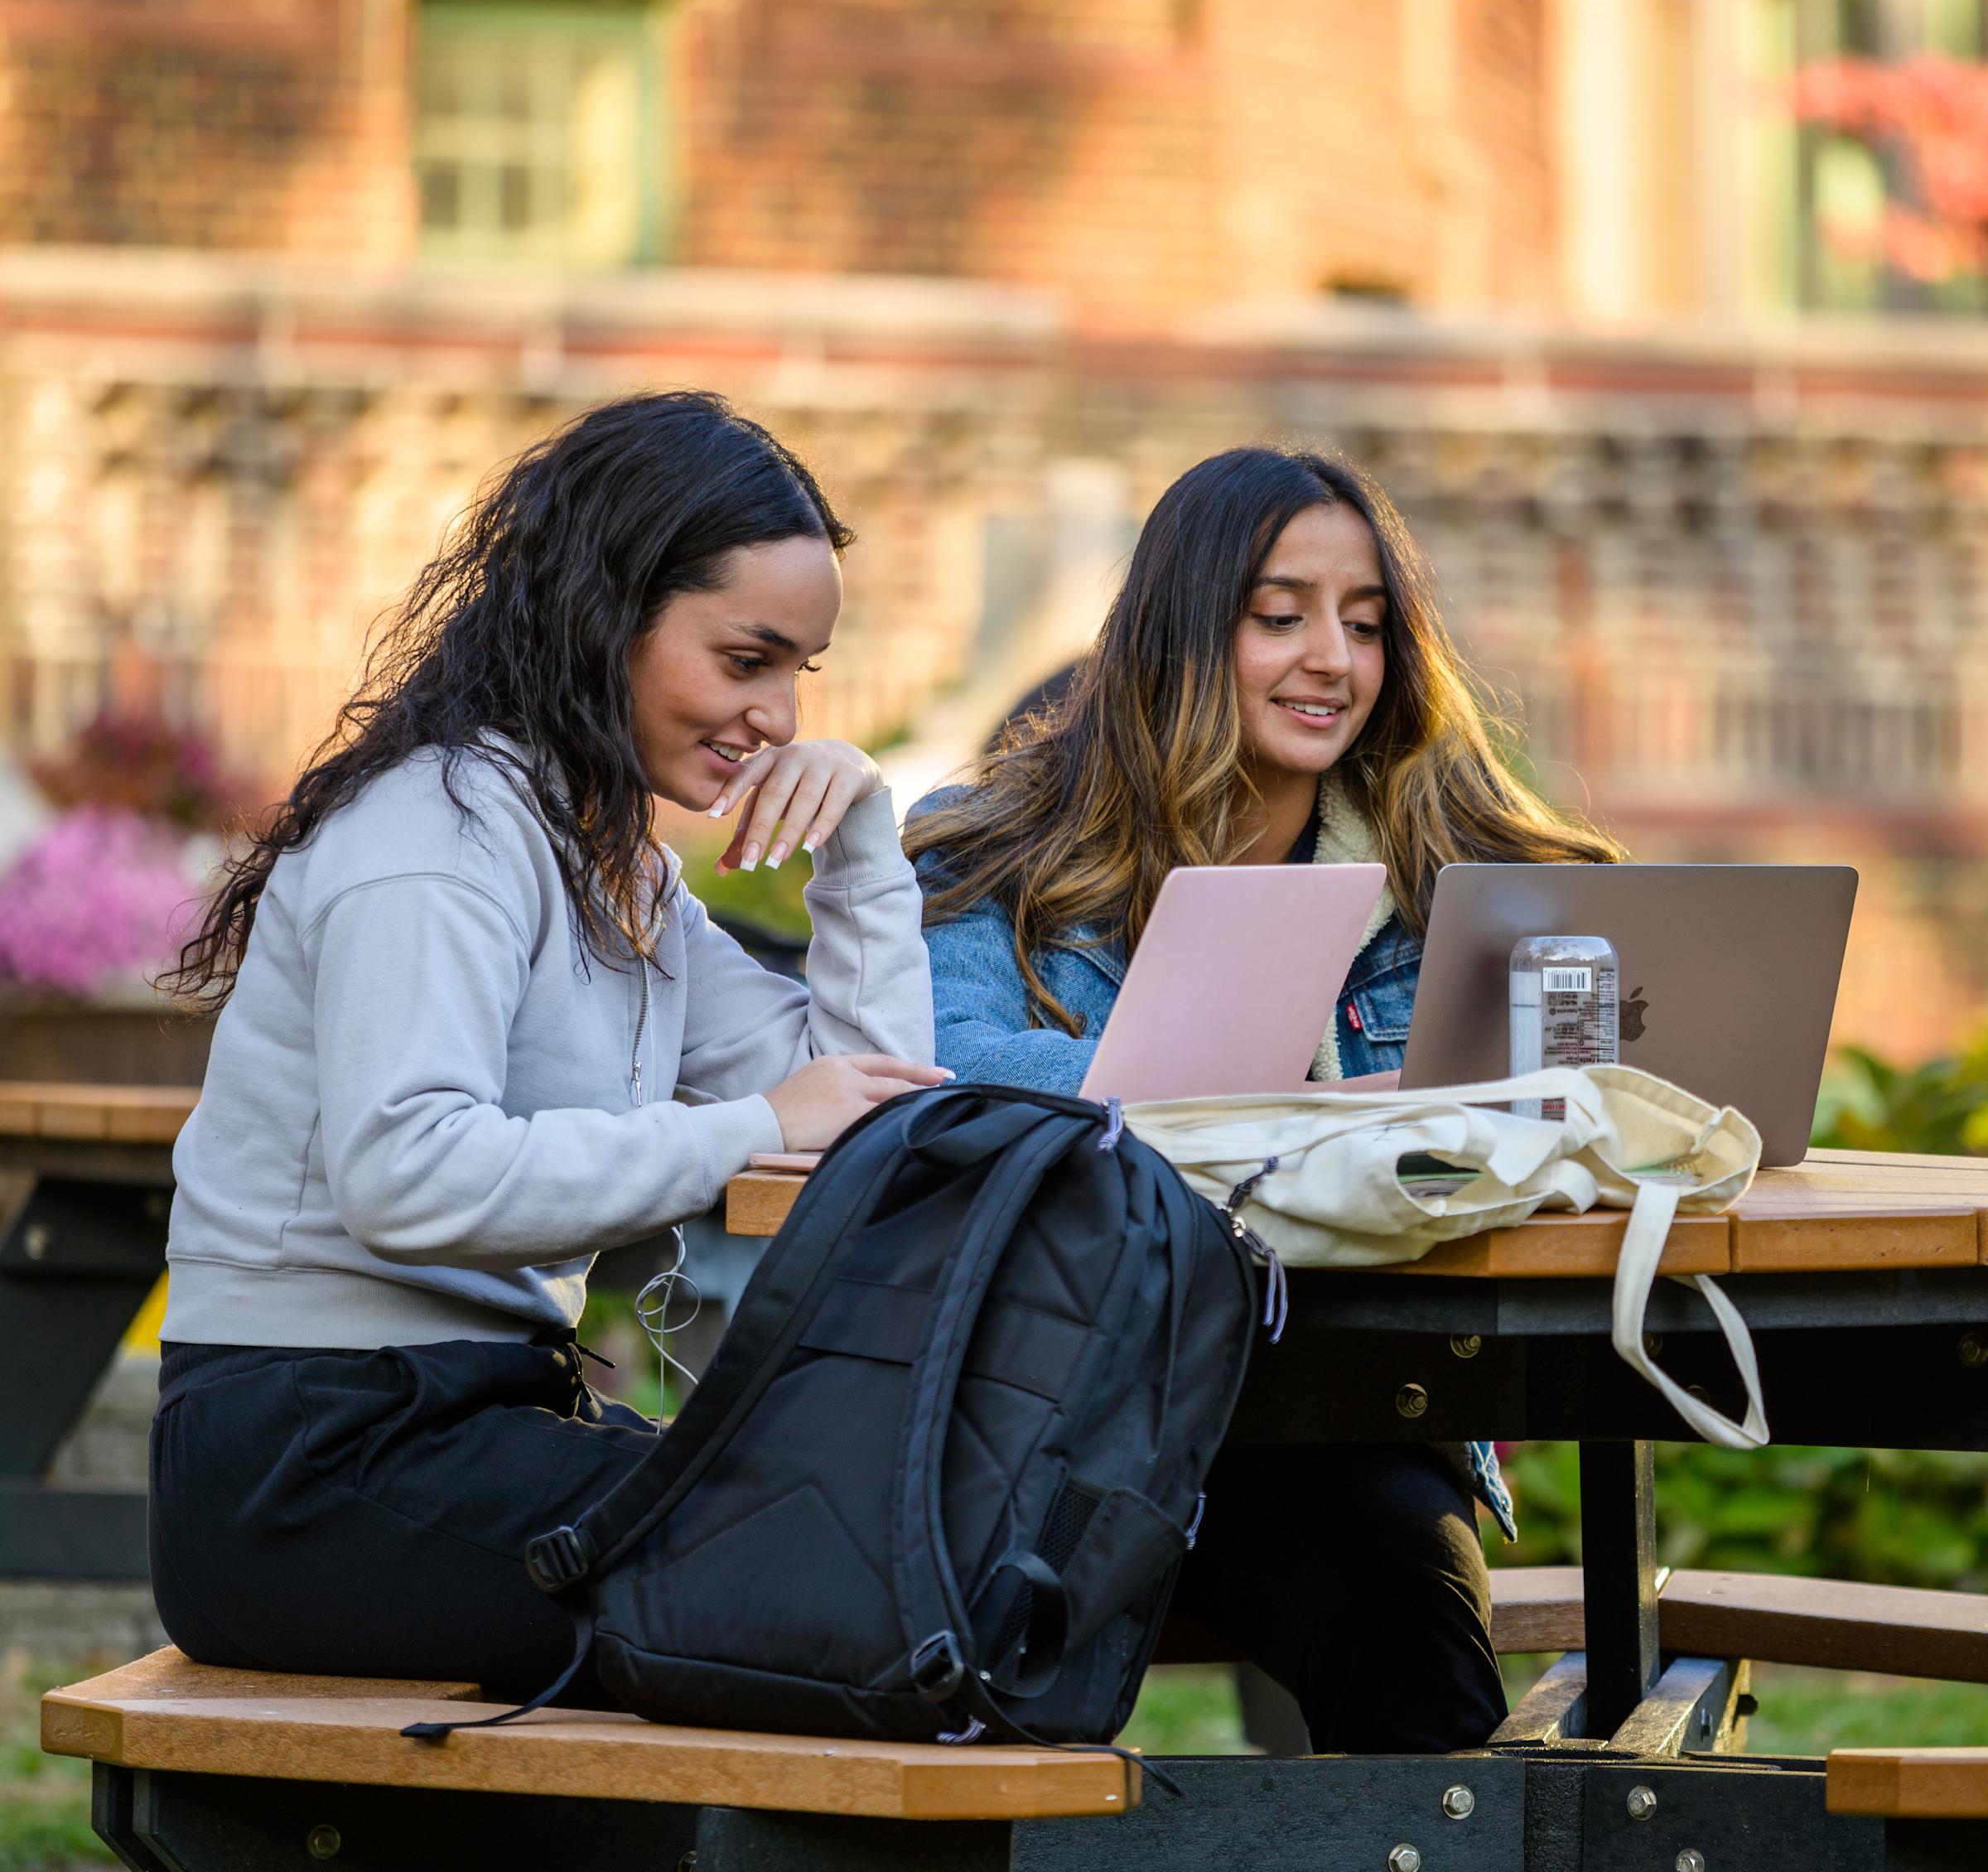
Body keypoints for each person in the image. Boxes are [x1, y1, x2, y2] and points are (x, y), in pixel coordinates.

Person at [150, 391, 943, 1702]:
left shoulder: (607, 863)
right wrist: (751, 1130)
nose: (780, 717)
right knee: (852, 1589)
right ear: (607, 613)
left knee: (881, 1557)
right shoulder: (438, 841)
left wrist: (860, 849)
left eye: (800, 672)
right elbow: (408, 1175)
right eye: (746, 659)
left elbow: (867, 1105)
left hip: (470, 1426)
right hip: (311, 1468)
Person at [905, 445, 1623, 1753]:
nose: (1332, 663)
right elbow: (947, 1075)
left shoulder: (1447, 861)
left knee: (1411, 1624)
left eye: (1363, 626)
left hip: (1336, 1406)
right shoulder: (992, 842)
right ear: (1183, 630)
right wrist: (1286, 1098)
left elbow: (1584, 1083)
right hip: (1052, 1408)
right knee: (963, 1705)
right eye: (1279, 617)